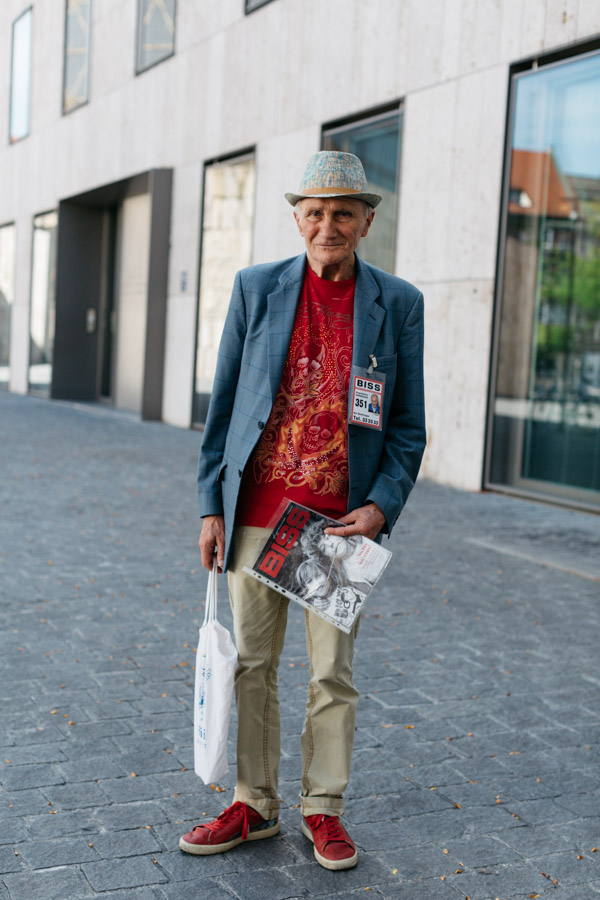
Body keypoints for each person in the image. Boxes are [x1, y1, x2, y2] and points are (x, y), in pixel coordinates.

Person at [180, 151, 425, 870]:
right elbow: (222, 407)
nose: (329, 224)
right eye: (316, 212)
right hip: (256, 511)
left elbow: (406, 425)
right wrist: (208, 506)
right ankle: (254, 804)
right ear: (297, 219)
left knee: (331, 676)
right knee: (252, 665)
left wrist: (381, 507)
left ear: (367, 222)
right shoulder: (256, 289)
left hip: (337, 526)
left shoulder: (397, 304)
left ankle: (325, 808)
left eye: (344, 212)